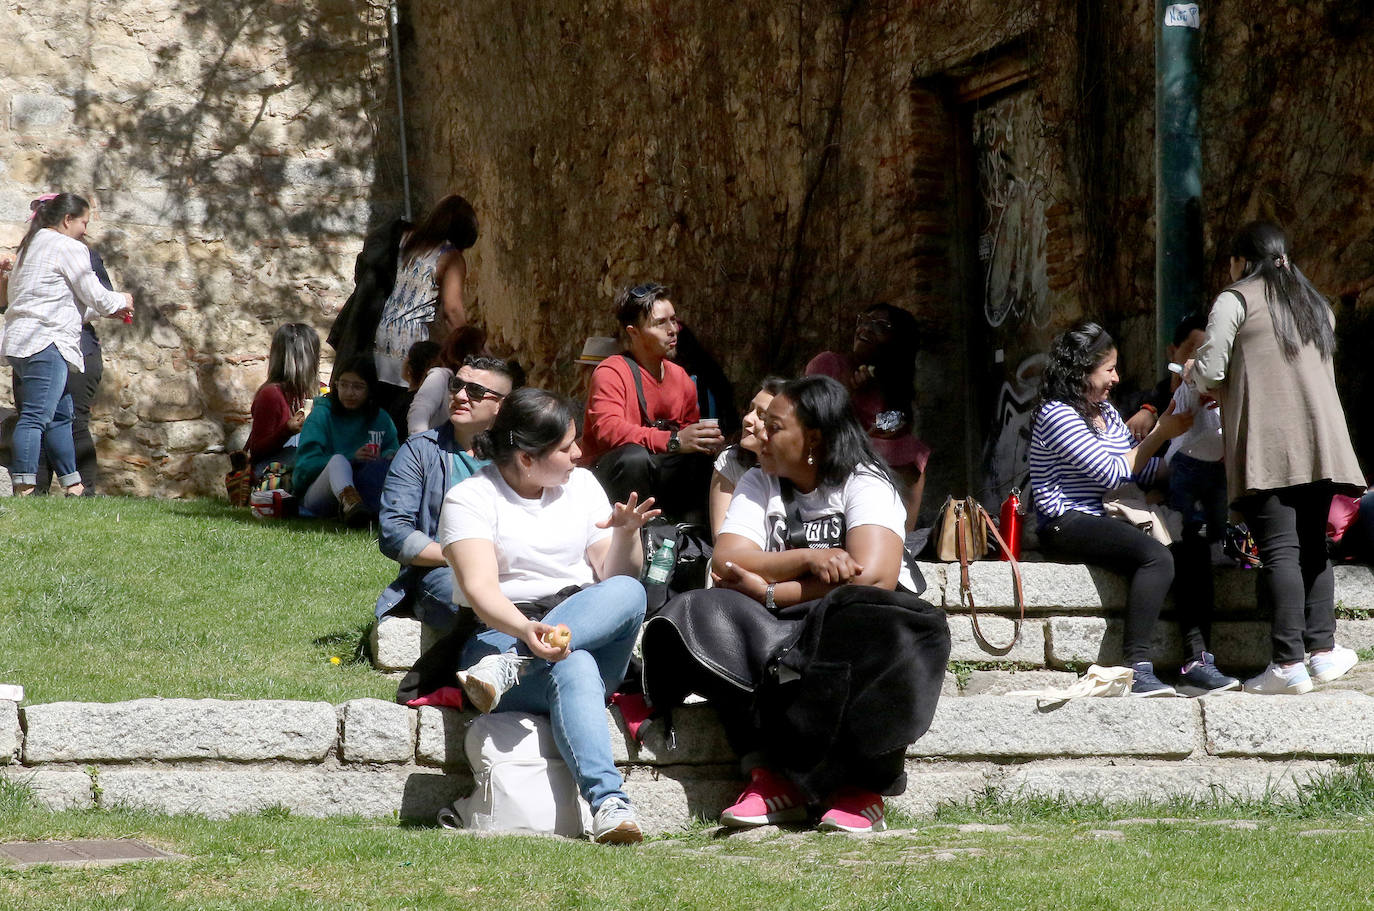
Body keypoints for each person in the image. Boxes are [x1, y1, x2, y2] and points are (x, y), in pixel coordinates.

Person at [645, 375, 949, 834]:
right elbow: (728, 560)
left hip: (857, 628)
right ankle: (769, 779)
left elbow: (874, 576)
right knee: (703, 610)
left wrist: (771, 589)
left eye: (774, 426)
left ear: (813, 439)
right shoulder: (757, 480)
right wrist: (809, 557)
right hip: (777, 628)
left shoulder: (864, 481)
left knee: (857, 612)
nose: (759, 434)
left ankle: (862, 789)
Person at [438, 387, 658, 844]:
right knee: (573, 661)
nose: (579, 454)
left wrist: (627, 535)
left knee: (629, 590)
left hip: (580, 625)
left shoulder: (581, 486)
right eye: (565, 447)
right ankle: (609, 804)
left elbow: (614, 575)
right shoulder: (470, 499)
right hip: (501, 633)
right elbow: (480, 592)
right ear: (525, 458)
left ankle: (518, 667)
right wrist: (525, 630)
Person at [1191, 221, 1365, 694]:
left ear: (1241, 260)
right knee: (1313, 546)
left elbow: (1211, 371)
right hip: (1321, 442)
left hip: (1270, 443)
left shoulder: (1236, 298)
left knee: (1281, 549)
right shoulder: (1316, 304)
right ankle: (1323, 652)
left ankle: (1288, 663)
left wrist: (1191, 371)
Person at [1028, 321, 1240, 697]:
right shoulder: (1056, 414)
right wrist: (1161, 431)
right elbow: (1112, 473)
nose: (1116, 378)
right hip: (1067, 520)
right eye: (1109, 369)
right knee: (1156, 558)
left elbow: (1139, 469)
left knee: (1192, 549)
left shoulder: (1106, 412)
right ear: (1081, 369)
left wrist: (1190, 464)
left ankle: (1198, 662)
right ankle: (1136, 667)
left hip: (1117, 513)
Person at [376, 354, 522, 631]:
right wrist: (462, 555)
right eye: (457, 385)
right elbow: (394, 532)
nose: (461, 395)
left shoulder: (519, 458)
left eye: (476, 391)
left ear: (501, 406)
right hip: (444, 572)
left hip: (515, 569)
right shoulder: (420, 451)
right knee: (473, 606)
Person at [3, 193, 133, 496]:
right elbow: (96, 295)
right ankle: (24, 486)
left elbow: (60, 301)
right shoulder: (68, 247)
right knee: (35, 416)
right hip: (47, 342)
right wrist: (122, 300)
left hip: (23, 343)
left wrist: (110, 310)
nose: (85, 230)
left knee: (61, 417)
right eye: (84, 222)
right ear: (67, 220)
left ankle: (73, 486)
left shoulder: (28, 248)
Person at [580, 282, 724, 523]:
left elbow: (687, 438)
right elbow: (608, 432)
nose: (673, 329)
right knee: (633, 458)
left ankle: (688, 539)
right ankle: (632, 538)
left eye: (674, 320)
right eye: (660, 323)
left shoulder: (681, 379)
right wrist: (675, 440)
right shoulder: (611, 372)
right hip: (614, 480)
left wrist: (703, 441)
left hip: (661, 478)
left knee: (703, 460)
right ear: (633, 332)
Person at [805, 303, 932, 530]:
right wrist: (848, 391)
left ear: (897, 340)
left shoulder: (890, 381)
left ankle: (904, 537)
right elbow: (815, 416)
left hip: (872, 450)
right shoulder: (829, 363)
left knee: (914, 453)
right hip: (830, 450)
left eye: (880, 326)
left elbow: (898, 422)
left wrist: (878, 429)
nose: (865, 329)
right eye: (864, 320)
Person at [372, 195, 477, 429]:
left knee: (376, 415)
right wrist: (473, 349)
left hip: (376, 333)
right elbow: (452, 310)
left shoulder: (406, 239)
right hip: (409, 342)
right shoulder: (450, 257)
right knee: (403, 413)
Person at [291, 356, 398, 524]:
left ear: (370, 389)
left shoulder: (380, 418)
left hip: (367, 488)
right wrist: (352, 458)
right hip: (319, 496)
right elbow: (304, 467)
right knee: (338, 461)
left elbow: (392, 450)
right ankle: (352, 506)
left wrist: (387, 457)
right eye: (344, 385)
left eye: (358, 387)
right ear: (336, 385)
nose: (349, 392)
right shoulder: (321, 415)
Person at [707, 377, 786, 537]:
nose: (747, 419)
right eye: (750, 410)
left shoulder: (796, 470)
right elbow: (720, 537)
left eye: (762, 416)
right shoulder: (731, 460)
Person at [245, 323, 321, 478]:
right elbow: (257, 450)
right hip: (270, 472)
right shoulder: (271, 394)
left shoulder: (318, 390)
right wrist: (287, 430)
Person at [1122, 312, 1208, 442]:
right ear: (1172, 352)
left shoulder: (1216, 404)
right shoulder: (1137, 405)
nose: (1194, 362)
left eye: (1204, 354)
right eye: (1191, 350)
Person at [403, 326, 493, 436]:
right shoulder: (441, 376)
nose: (488, 353)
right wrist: (421, 447)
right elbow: (419, 412)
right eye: (483, 347)